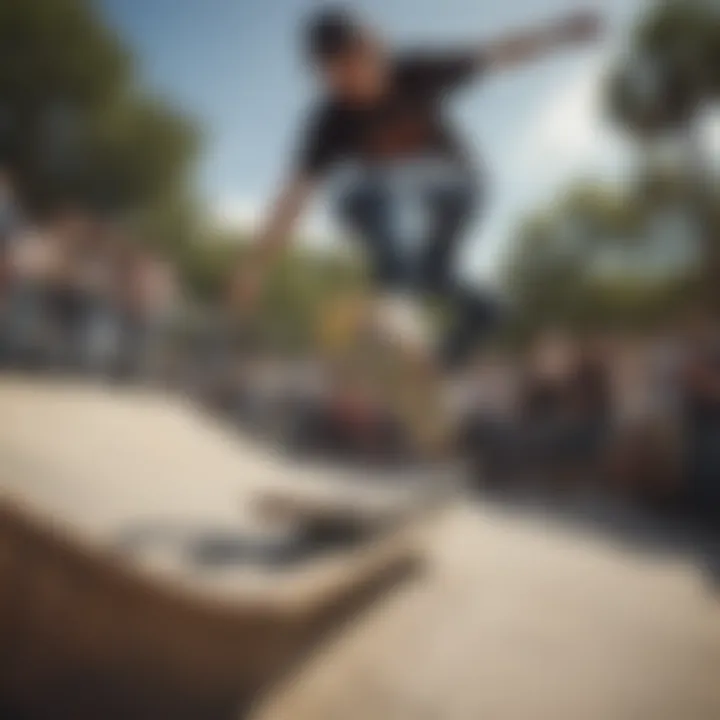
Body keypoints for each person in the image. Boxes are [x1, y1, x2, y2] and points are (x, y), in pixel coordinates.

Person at [233, 5, 603, 370]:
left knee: (379, 187)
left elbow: (496, 54)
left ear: (373, 50)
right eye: (333, 76)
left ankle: (396, 302)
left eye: (351, 67)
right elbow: (295, 194)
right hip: (402, 203)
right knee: (425, 267)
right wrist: (256, 266)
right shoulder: (330, 120)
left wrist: (561, 32)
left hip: (459, 185)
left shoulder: (416, 71)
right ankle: (480, 315)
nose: (347, 83)